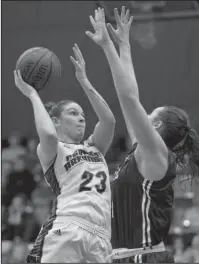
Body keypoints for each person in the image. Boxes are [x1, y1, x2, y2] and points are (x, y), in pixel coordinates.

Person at [86, 7, 199, 263]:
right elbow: (132, 95)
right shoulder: (144, 153)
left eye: (150, 113)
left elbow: (127, 97)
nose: (143, 113)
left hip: (144, 257)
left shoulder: (157, 153)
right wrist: (124, 45)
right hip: (125, 257)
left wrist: (107, 46)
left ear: (156, 125)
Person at [14, 43, 115, 263]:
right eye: (73, 113)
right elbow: (49, 135)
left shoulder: (94, 146)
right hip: (68, 227)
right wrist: (32, 94)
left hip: (101, 235)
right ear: (56, 121)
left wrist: (84, 80)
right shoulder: (52, 149)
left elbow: (108, 120)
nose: (81, 118)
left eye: (82, 115)